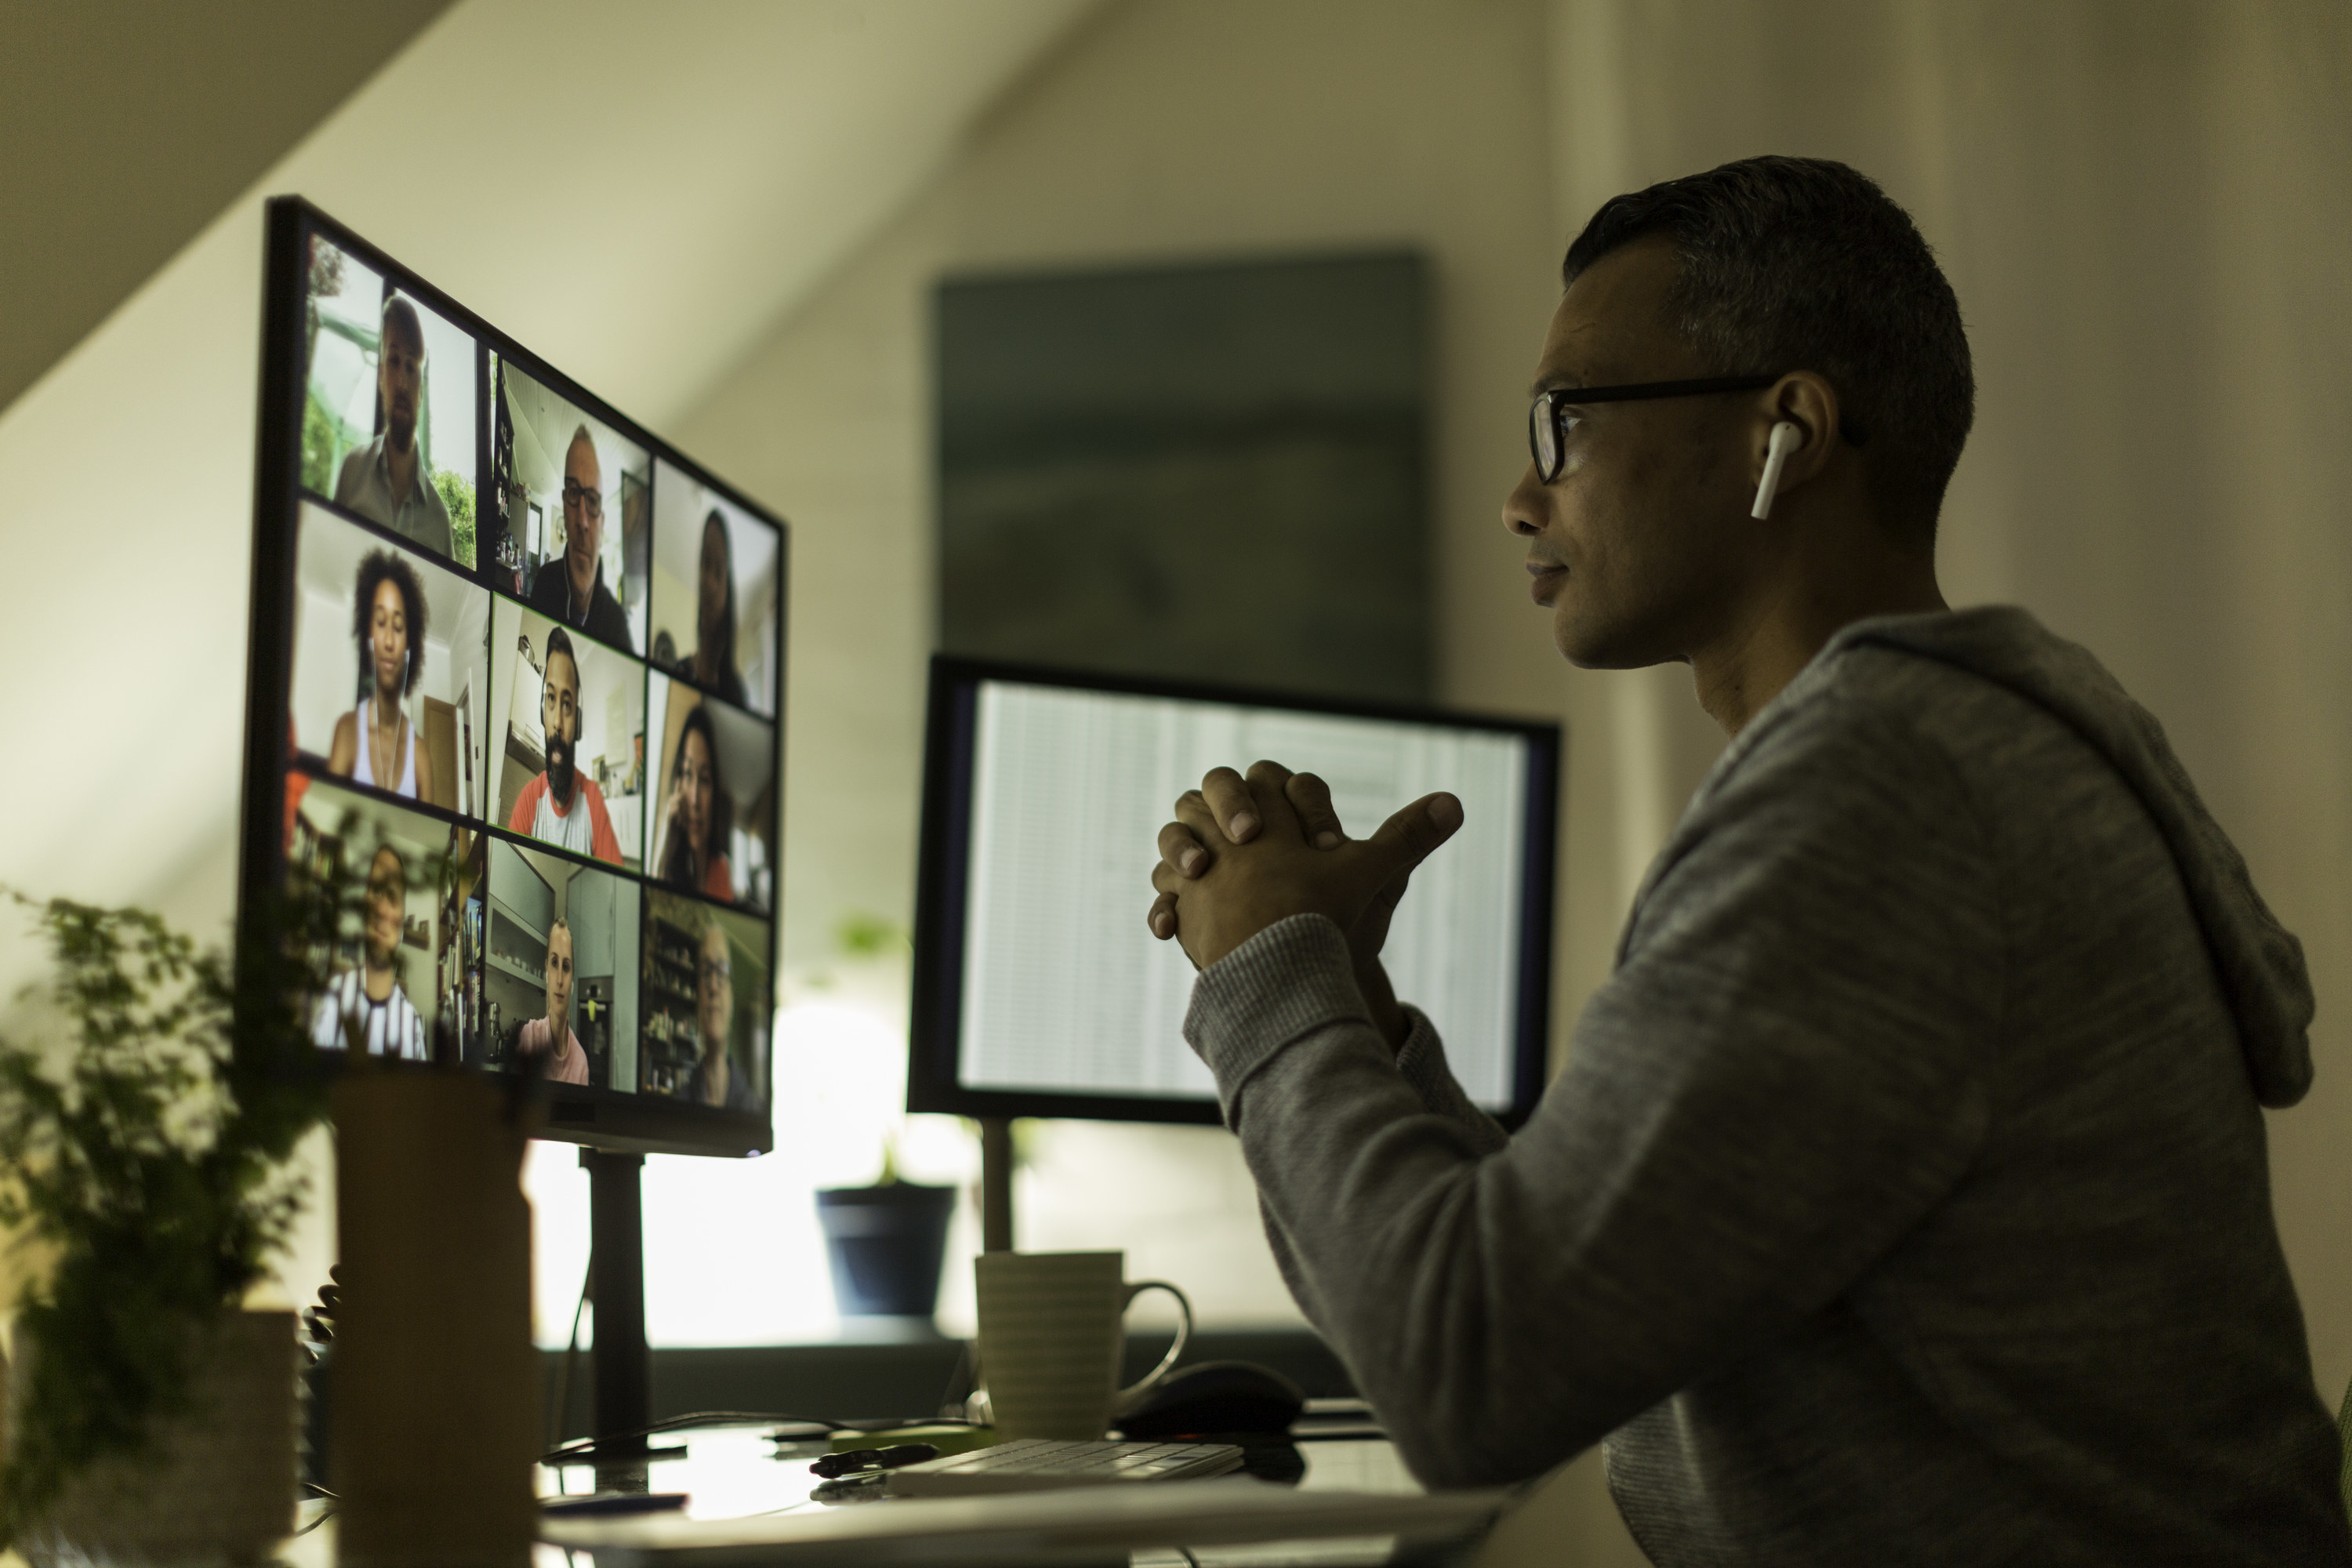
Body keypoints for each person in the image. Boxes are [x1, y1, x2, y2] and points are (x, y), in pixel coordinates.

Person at [1145, 157, 2349, 1563]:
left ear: (1788, 430)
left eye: (1569, 422)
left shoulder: (1883, 800)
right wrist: (1348, 1002)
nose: (1521, 498)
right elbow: (1597, 1298)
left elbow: (1471, 1373)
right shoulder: (1940, 756)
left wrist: (1268, 977)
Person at [333, 296, 455, 558]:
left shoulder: (439, 521)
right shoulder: (351, 472)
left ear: (421, 390)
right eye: (394, 361)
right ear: (380, 375)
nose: (401, 382)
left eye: (411, 366)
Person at [328, 550, 438, 806]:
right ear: (368, 638)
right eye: (380, 622)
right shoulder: (346, 733)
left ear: (410, 646)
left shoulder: (420, 756)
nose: (388, 640)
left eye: (398, 627)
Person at [507, 626, 623, 864]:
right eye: (551, 698)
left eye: (567, 704)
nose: (558, 722)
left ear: (577, 723)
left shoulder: (593, 802)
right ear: (542, 712)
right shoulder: (529, 801)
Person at [310, 844, 428, 1061]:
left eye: (393, 897)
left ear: (402, 919)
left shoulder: (412, 1026)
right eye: (376, 891)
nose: (382, 910)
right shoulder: (333, 998)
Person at [525, 424, 633, 651]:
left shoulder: (617, 627)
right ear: (564, 505)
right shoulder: (543, 584)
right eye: (574, 493)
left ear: (602, 523)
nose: (583, 521)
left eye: (593, 501)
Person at [655, 703, 733, 901]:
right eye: (688, 774)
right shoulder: (668, 866)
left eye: (705, 779)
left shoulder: (722, 870)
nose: (695, 799)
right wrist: (672, 839)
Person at [670, 508, 746, 705]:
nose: (709, 583)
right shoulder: (678, 670)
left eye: (719, 570)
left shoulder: (736, 693)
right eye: (705, 563)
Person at [684, 916, 752, 1110]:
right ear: (698, 1000)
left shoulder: (754, 1108)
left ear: (732, 997)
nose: (713, 986)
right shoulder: (679, 1103)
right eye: (706, 972)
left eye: (721, 971)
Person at [513, 917, 590, 1085]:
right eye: (554, 963)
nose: (560, 980)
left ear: (572, 981)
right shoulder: (529, 1037)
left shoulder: (581, 1063)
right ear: (547, 970)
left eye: (566, 967)